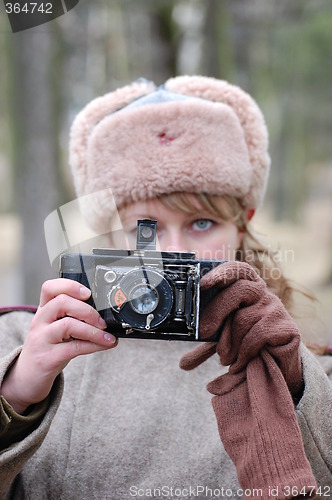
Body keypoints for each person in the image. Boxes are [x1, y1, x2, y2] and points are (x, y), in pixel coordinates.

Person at [0, 76, 331, 500]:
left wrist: (293, 386)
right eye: (145, 228)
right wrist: (16, 397)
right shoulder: (23, 345)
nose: (172, 251)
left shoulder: (304, 368)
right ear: (111, 232)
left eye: (202, 223)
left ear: (243, 223)